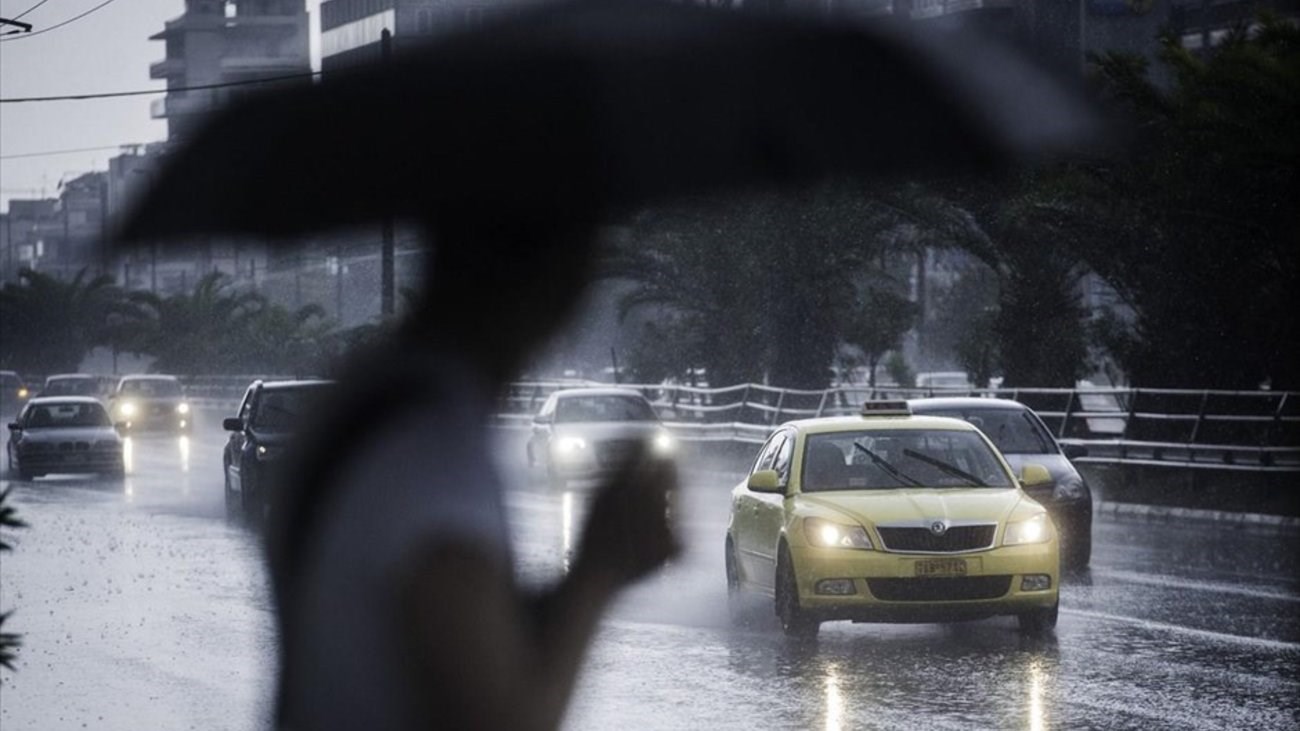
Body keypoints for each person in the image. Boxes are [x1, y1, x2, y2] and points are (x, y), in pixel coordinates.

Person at [265, 215, 679, 730]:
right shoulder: (434, 450)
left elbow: (459, 640)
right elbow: (501, 718)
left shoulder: (361, 400)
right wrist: (601, 565)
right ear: (554, 275)